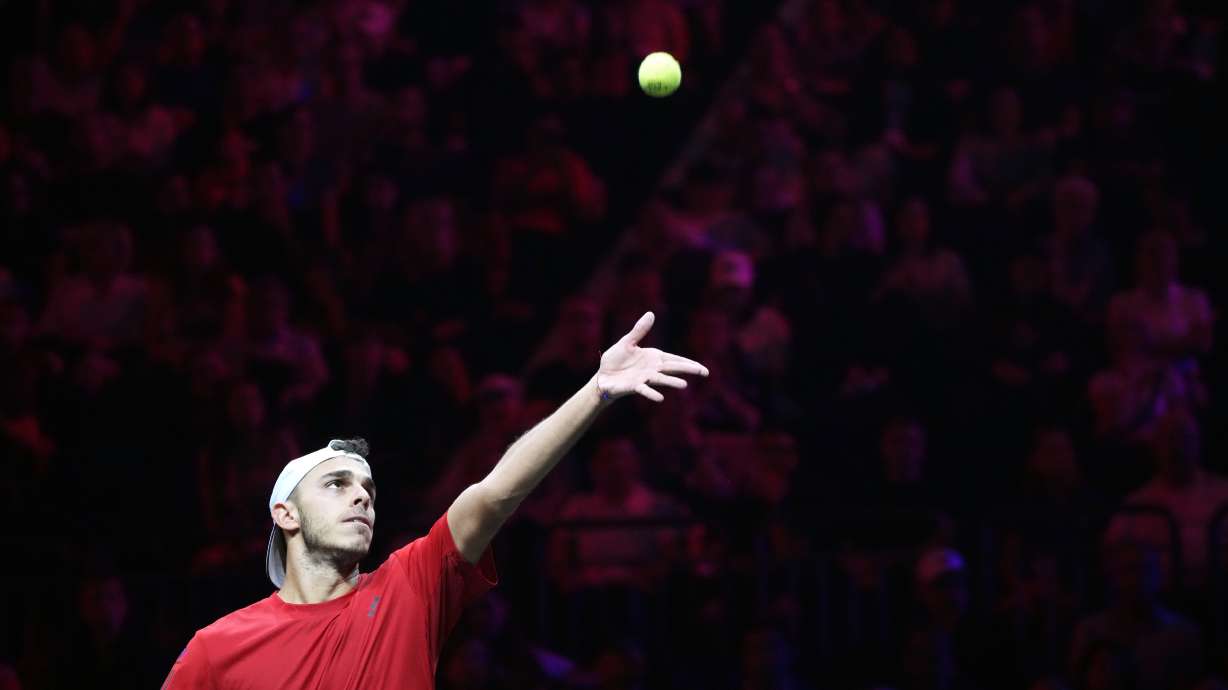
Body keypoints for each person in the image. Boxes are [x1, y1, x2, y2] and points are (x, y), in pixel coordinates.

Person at [161, 311, 709, 689]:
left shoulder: (407, 586)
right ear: (286, 514)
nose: (361, 499)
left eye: (368, 491)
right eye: (336, 485)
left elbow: (493, 495)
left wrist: (596, 392)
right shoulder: (217, 647)